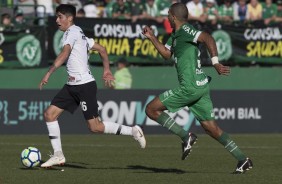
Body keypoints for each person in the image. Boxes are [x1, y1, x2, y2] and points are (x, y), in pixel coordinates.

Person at [142, 2, 253, 174]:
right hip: (200, 86)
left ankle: (186, 136)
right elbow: (166, 54)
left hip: (190, 87)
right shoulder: (176, 35)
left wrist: (215, 63)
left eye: (168, 15)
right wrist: (152, 38)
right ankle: (242, 159)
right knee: (211, 128)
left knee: (151, 109)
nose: (167, 18)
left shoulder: (186, 30)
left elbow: (207, 37)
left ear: (173, 16)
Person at [38, 4, 146, 168]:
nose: (57, 20)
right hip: (71, 85)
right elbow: (101, 49)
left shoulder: (72, 32)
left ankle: (132, 131)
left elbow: (65, 53)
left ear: (70, 18)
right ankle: (58, 155)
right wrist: (106, 70)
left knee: (95, 127)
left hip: (84, 85)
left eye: (60, 16)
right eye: (57, 16)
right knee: (49, 114)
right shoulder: (79, 34)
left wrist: (49, 72)